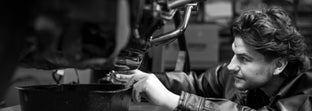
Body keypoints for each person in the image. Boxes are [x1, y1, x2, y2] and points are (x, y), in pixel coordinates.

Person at [115, 6, 312, 111]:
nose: (232, 66)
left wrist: (175, 101)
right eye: (234, 53)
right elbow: (195, 84)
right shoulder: (232, 76)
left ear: (278, 64)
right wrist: (146, 79)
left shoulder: (305, 97)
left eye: (244, 59)